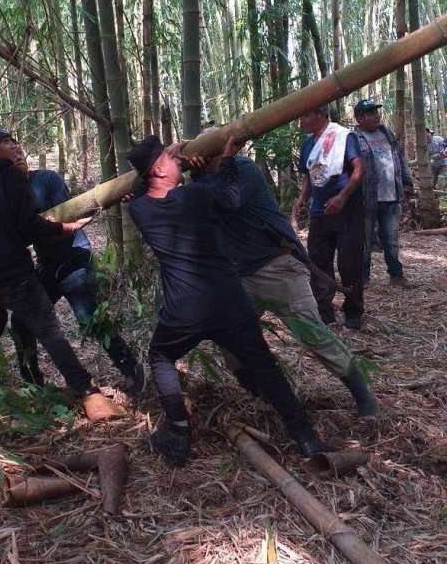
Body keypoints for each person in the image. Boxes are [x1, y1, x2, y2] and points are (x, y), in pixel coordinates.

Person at [127, 134, 330, 466]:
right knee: (265, 365)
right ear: (159, 169)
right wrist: (224, 162)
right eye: (169, 156)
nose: (176, 158)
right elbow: (231, 197)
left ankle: (178, 431)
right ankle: (305, 437)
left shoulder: (139, 210)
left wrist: (185, 166)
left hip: (184, 308)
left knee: (161, 356)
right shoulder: (196, 195)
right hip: (228, 301)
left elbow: (142, 191)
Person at [190, 135, 375, 417]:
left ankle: (363, 396)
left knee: (313, 334)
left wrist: (221, 163)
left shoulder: (242, 169)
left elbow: (229, 200)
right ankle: (264, 396)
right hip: (239, 275)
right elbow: (202, 203)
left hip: (278, 268)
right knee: (230, 339)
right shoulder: (203, 181)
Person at [0, 123, 115, 418]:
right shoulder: (9, 176)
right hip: (8, 272)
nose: (14, 146)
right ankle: (86, 390)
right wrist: (64, 227)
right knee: (48, 329)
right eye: (7, 141)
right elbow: (27, 226)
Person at [9, 150, 144, 394]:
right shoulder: (8, 192)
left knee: (88, 316)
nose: (18, 155)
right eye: (11, 152)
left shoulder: (46, 180)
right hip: (47, 263)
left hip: (74, 254)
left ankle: (130, 367)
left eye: (19, 150)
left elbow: (72, 215)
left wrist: (36, 229)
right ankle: (33, 383)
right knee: (20, 321)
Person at [295, 105, 365, 330]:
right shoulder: (307, 143)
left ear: (321, 115)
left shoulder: (344, 136)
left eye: (306, 114)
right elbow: (310, 175)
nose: (302, 120)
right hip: (320, 213)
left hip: (347, 211)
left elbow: (358, 169)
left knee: (350, 263)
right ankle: (324, 312)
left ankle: (353, 312)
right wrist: (302, 198)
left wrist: (342, 197)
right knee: (317, 261)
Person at [353, 99, 414, 287]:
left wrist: (406, 183)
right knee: (364, 240)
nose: (376, 115)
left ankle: (396, 275)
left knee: (392, 239)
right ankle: (363, 278)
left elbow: (399, 159)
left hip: (391, 195)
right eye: (370, 113)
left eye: (375, 112)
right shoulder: (354, 138)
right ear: (360, 118)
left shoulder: (386, 133)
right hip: (366, 198)